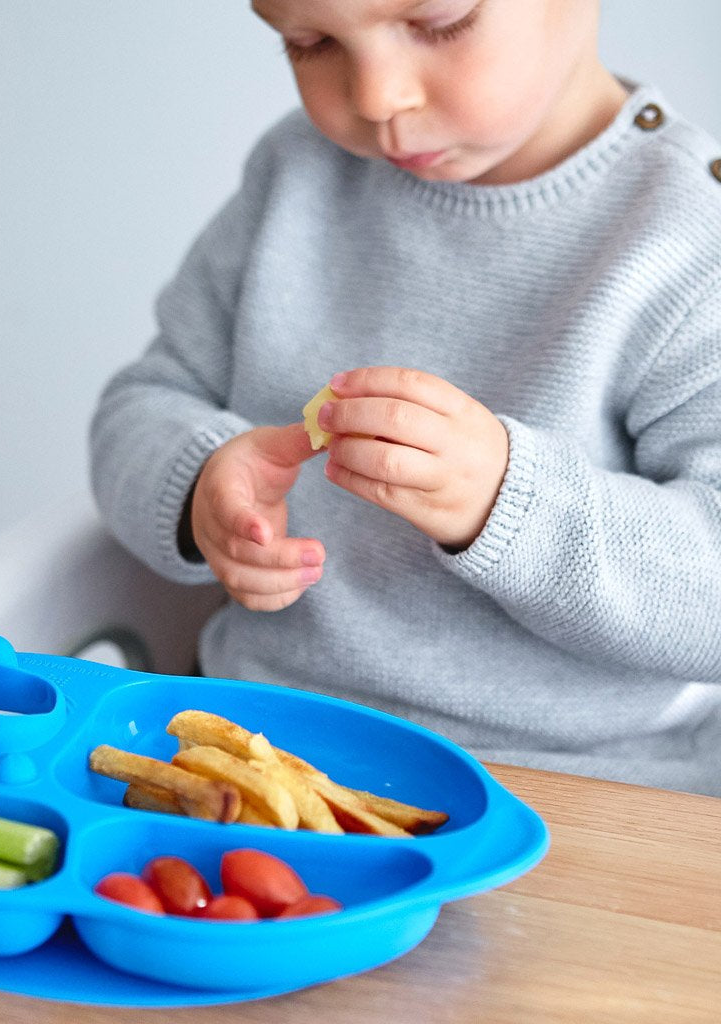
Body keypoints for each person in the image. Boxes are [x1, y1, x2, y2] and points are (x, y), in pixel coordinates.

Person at [88, 0, 721, 796]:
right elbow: (146, 398)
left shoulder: (694, 239)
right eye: (310, 43)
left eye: (441, 23)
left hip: (582, 793)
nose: (376, 96)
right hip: (260, 761)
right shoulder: (296, 174)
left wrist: (509, 502)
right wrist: (200, 480)